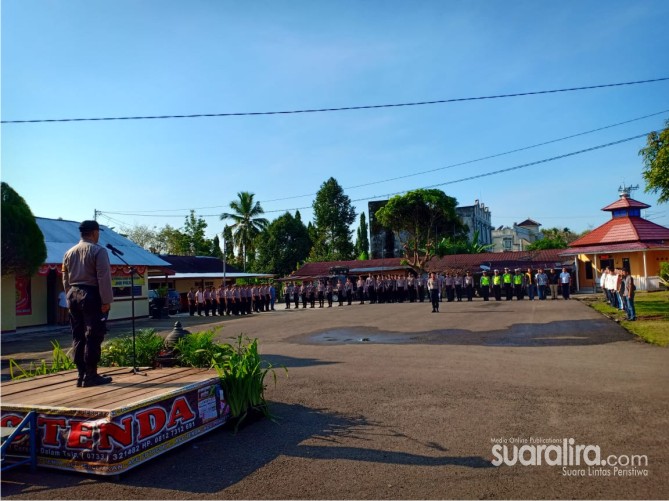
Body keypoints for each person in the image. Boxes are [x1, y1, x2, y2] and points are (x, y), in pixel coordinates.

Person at [62, 220, 114, 388]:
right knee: (93, 335)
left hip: (73, 294)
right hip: (91, 295)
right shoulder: (98, 251)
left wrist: (69, 298)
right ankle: (91, 375)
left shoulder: (69, 252)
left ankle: (81, 375)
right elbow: (103, 277)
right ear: (94, 232)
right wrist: (106, 301)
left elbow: (65, 279)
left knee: (78, 336)